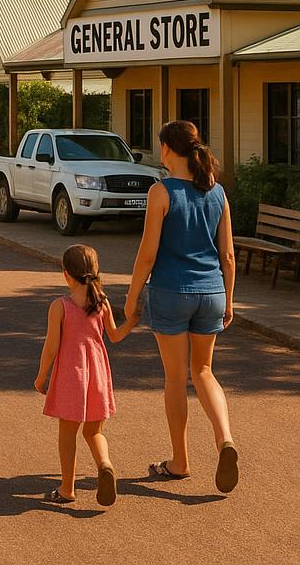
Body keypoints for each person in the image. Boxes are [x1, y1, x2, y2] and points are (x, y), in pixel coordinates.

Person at [124, 119, 238, 494]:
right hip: (212, 292)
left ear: (167, 149)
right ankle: (225, 439)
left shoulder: (161, 192)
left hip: (171, 292)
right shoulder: (218, 193)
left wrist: (131, 295)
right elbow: (228, 256)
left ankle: (180, 462)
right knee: (204, 371)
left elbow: (147, 254)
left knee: (176, 379)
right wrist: (229, 299)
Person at [34, 244, 137, 506]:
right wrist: (132, 321)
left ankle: (67, 489)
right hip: (98, 376)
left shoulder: (60, 306)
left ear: (66, 274)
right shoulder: (102, 302)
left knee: (68, 434)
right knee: (94, 432)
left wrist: (41, 376)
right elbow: (114, 336)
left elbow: (51, 347)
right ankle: (105, 464)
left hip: (72, 376)